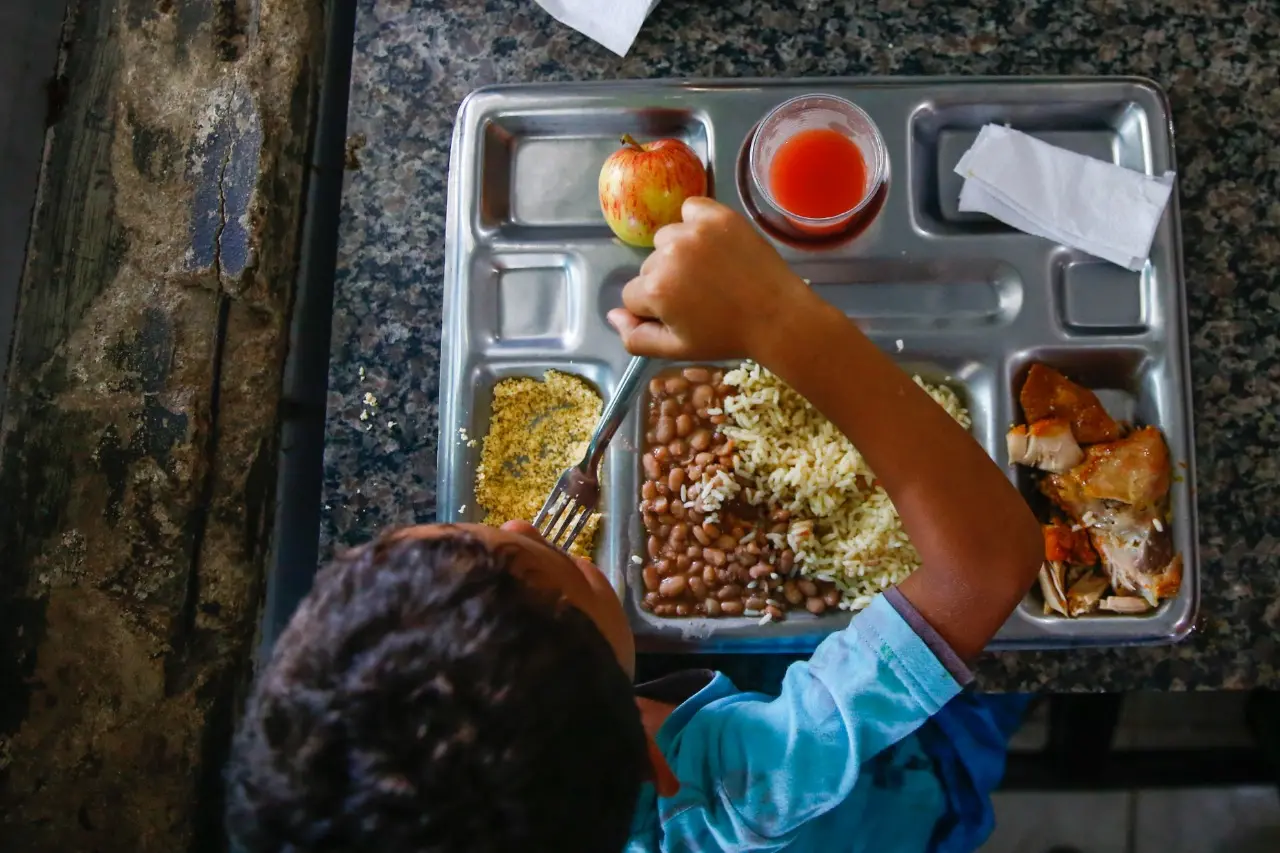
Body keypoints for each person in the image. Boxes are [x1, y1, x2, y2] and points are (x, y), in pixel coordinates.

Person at [225, 198, 1044, 853]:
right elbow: (985, 565)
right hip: (901, 785)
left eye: (462, 535)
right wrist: (779, 321)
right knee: (984, 699)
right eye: (564, 570)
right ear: (654, 762)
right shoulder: (735, 793)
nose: (516, 518)